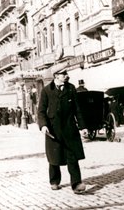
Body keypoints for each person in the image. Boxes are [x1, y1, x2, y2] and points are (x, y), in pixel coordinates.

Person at [38, 66, 88, 194]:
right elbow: (41, 111)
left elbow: (78, 109)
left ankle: (76, 184)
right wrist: (43, 126)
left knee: (72, 156)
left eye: (66, 73)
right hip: (53, 130)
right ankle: (54, 181)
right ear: (56, 76)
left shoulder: (71, 88)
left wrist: (82, 127)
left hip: (69, 128)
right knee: (54, 156)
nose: (66, 75)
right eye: (63, 73)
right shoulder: (46, 90)